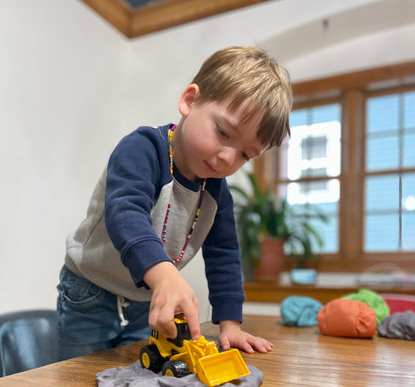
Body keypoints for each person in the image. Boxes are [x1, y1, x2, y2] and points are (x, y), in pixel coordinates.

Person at [57, 45, 292, 361]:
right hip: (89, 289)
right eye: (223, 132)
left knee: (141, 376)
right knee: (79, 380)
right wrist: (166, 276)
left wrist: (230, 323)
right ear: (190, 101)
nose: (227, 157)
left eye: (245, 154)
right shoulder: (141, 149)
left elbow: (224, 254)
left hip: (146, 297)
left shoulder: (218, 194)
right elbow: (125, 213)